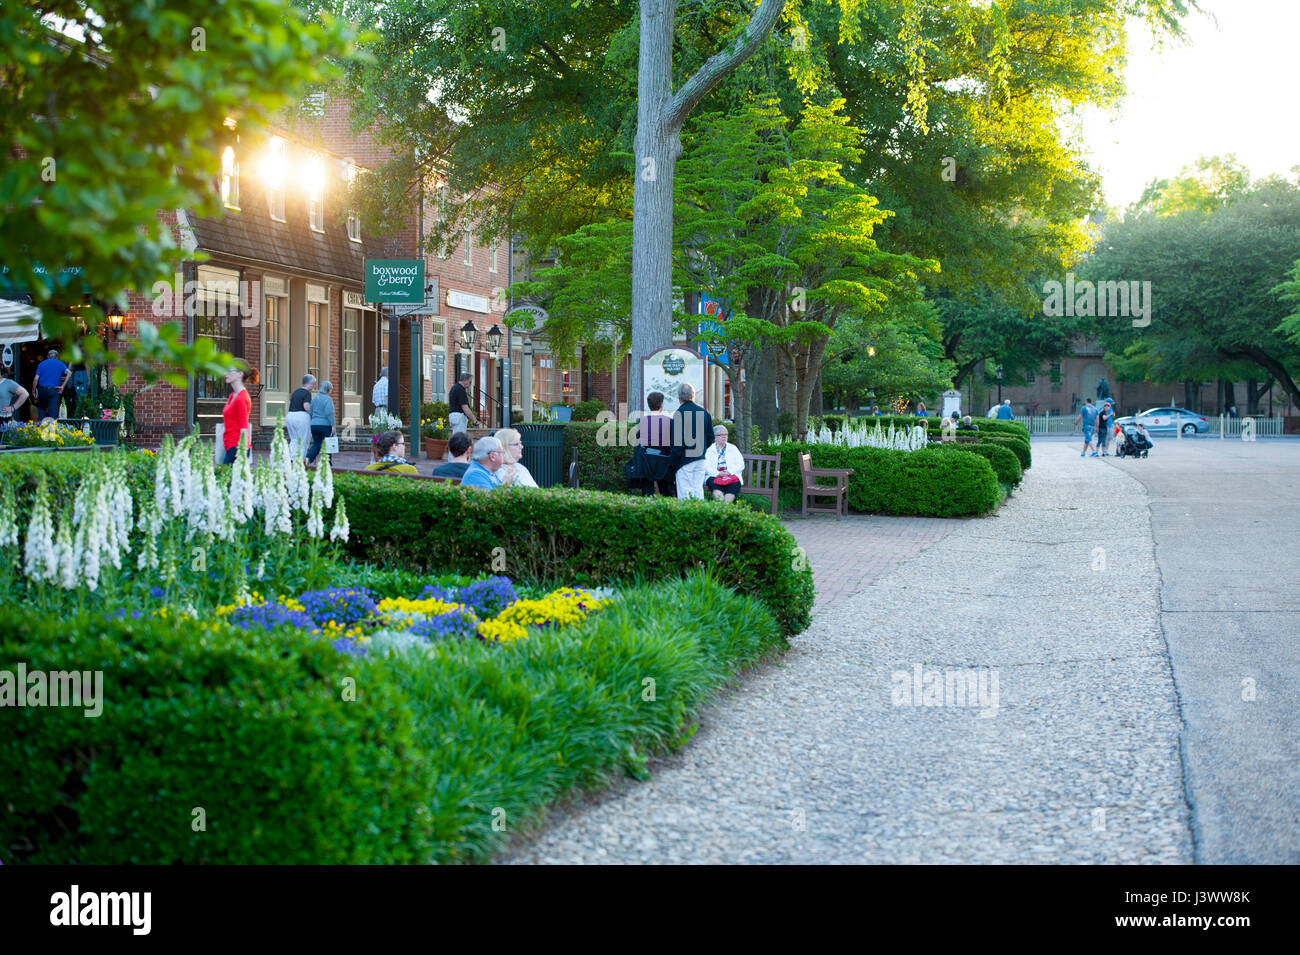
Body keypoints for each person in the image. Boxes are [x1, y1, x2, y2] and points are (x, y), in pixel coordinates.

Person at [670, 382, 714, 499]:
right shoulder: (704, 412)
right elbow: (710, 437)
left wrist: (673, 462)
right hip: (700, 458)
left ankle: (687, 517)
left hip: (684, 459)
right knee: (698, 490)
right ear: (693, 395)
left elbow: (677, 442)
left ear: (679, 398)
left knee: (685, 493)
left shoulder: (679, 413)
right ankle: (700, 516)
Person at [631, 390, 676, 496]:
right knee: (666, 493)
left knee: (647, 493)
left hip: (646, 460)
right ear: (661, 405)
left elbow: (638, 437)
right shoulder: (669, 421)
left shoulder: (642, 421)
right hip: (664, 460)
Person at [221, 366, 257, 465]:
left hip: (238, 447)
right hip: (229, 444)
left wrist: (242, 450)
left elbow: (244, 425)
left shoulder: (242, 398)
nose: (226, 374)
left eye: (230, 371)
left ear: (240, 374)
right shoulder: (232, 396)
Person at [702, 425, 746, 503]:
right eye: (721, 435)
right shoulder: (709, 450)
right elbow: (705, 466)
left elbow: (741, 464)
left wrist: (729, 472)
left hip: (731, 475)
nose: (724, 437)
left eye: (726, 435)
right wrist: (718, 473)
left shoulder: (733, 448)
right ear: (715, 437)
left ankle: (724, 508)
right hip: (714, 475)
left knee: (734, 484)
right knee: (713, 483)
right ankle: (724, 509)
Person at [32, 349, 71, 421]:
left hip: (42, 390)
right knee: (53, 412)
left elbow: (36, 379)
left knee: (41, 410)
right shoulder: (60, 363)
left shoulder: (42, 364)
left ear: (47, 356)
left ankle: (41, 428)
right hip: (54, 390)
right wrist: (62, 386)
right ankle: (52, 429)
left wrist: (33, 390)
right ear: (57, 357)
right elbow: (69, 373)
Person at [286, 373, 315, 459]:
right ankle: (300, 460)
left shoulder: (296, 391)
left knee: (294, 439)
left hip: (290, 415)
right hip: (301, 417)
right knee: (303, 439)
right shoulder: (307, 393)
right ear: (309, 384)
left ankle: (291, 457)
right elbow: (306, 406)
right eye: (313, 384)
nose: (314, 386)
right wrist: (313, 414)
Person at [307, 380, 335, 464]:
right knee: (328, 445)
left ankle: (308, 459)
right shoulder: (328, 399)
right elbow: (329, 413)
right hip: (325, 425)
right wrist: (333, 425)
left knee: (317, 444)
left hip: (314, 425)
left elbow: (310, 411)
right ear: (328, 390)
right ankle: (327, 462)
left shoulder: (315, 398)